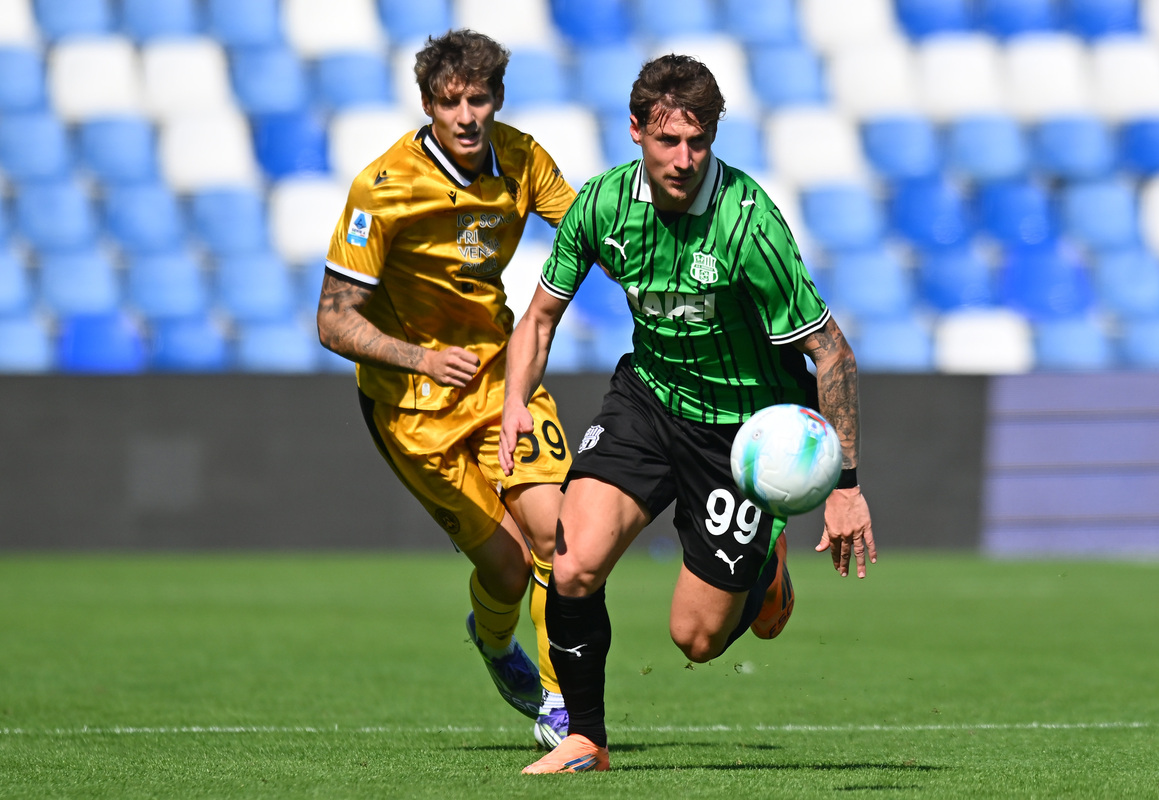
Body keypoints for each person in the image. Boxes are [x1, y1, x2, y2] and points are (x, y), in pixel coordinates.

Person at [499, 54, 877, 774]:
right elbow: (541, 317)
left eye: (698, 142)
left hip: (743, 433)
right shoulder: (603, 205)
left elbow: (832, 354)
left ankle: (765, 568)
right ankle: (587, 738)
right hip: (650, 399)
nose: (684, 158)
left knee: (696, 639)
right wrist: (515, 401)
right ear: (636, 130)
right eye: (668, 141)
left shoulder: (748, 225)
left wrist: (847, 488)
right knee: (572, 560)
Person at [316, 29, 577, 749]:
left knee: (555, 535)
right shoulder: (385, 187)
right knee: (507, 566)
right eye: (449, 101)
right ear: (428, 105)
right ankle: (496, 646)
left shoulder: (523, 160)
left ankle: (562, 708)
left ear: (498, 100)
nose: (466, 115)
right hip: (411, 405)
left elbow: (589, 233)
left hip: (500, 378)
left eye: (479, 99)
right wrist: (419, 359)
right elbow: (333, 321)